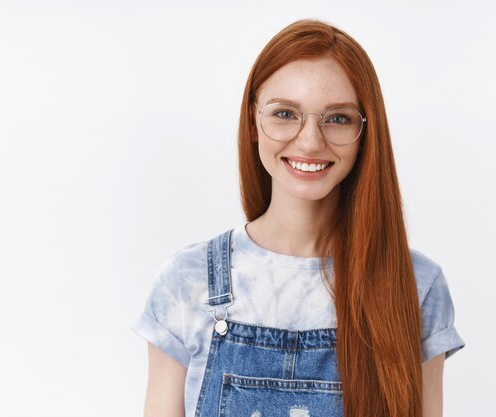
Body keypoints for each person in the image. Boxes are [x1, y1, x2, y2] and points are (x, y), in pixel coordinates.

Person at [132, 19, 465, 417]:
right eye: (285, 113)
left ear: (365, 132)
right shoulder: (188, 282)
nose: (309, 141)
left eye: (338, 118)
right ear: (253, 121)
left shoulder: (416, 286)